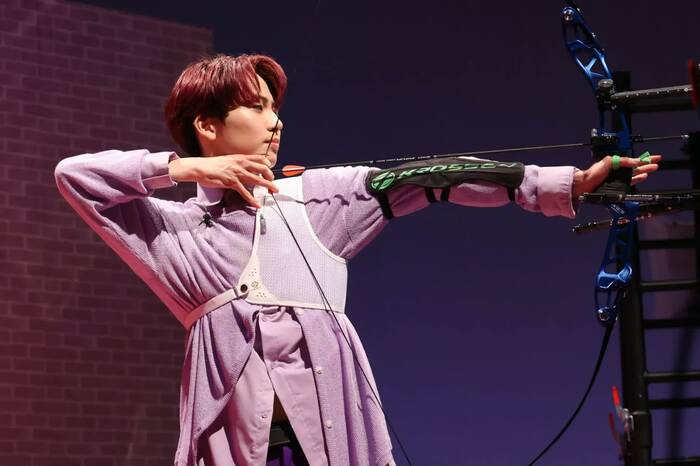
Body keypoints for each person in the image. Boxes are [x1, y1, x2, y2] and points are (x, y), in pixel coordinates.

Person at [54, 53, 660, 466]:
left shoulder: (315, 198)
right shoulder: (177, 232)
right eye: (257, 107)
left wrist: (566, 183)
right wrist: (183, 168)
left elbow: (432, 177)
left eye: (274, 108)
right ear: (207, 126)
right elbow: (74, 176)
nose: (275, 122)